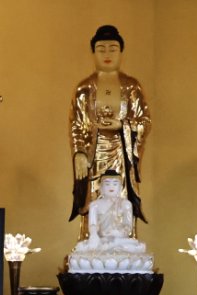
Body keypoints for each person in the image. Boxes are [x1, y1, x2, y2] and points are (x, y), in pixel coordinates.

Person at [69, 24, 150, 231]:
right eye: (101, 49)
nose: (107, 54)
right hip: (93, 154)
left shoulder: (131, 86)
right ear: (93, 53)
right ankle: (90, 237)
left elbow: (144, 121)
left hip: (122, 152)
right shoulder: (84, 88)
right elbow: (76, 124)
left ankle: (124, 236)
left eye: (113, 49)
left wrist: (122, 125)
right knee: (93, 199)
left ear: (121, 52)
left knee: (120, 198)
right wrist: (79, 152)